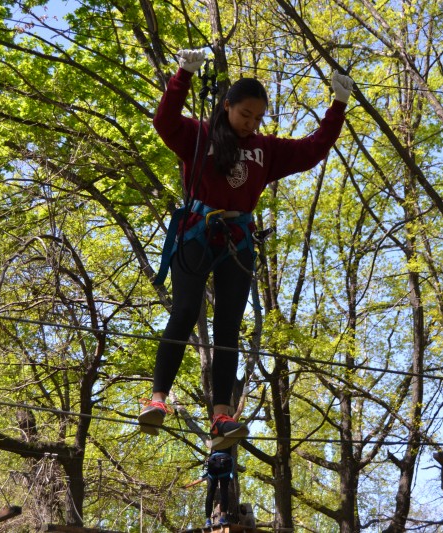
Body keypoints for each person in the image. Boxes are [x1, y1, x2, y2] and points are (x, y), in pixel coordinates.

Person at [139, 48, 354, 448]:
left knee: (228, 326)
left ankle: (221, 416)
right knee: (185, 311)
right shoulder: (199, 136)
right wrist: (183, 75)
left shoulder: (266, 150)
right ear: (227, 106)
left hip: (236, 240)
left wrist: (338, 105)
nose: (250, 123)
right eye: (245, 115)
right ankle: (156, 400)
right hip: (197, 231)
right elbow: (164, 121)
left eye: (257, 118)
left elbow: (312, 149)